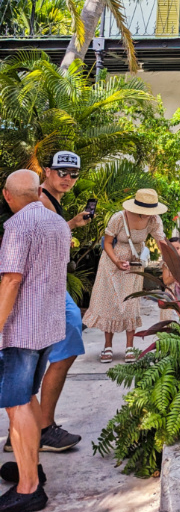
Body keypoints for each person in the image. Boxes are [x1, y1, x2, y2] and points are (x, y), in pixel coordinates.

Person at [3, 152, 90, 455]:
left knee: (28, 376)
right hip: (35, 293)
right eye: (62, 172)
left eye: (74, 174)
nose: (68, 178)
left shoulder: (47, 204)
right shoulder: (36, 204)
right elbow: (14, 275)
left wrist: (72, 224)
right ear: (47, 173)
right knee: (21, 381)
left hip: (46, 290)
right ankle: (38, 430)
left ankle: (36, 430)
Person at [0, 170, 71, 512]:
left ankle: (29, 488)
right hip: (47, 326)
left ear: (7, 195)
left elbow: (12, 280)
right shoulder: (57, 223)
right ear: (39, 190)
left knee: (16, 405)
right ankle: (32, 468)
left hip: (22, 331)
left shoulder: (17, 226)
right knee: (26, 395)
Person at [83, 188, 167, 364]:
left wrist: (172, 261)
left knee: (131, 304)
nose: (147, 214)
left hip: (135, 264)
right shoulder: (119, 218)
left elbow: (162, 242)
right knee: (111, 304)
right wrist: (116, 261)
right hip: (113, 263)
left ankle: (129, 346)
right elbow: (106, 243)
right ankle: (107, 346)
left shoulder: (153, 220)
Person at [159, 237, 180, 322]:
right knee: (168, 322)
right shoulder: (166, 264)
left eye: (177, 248)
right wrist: (178, 274)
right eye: (172, 248)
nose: (175, 250)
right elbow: (166, 281)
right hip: (170, 296)